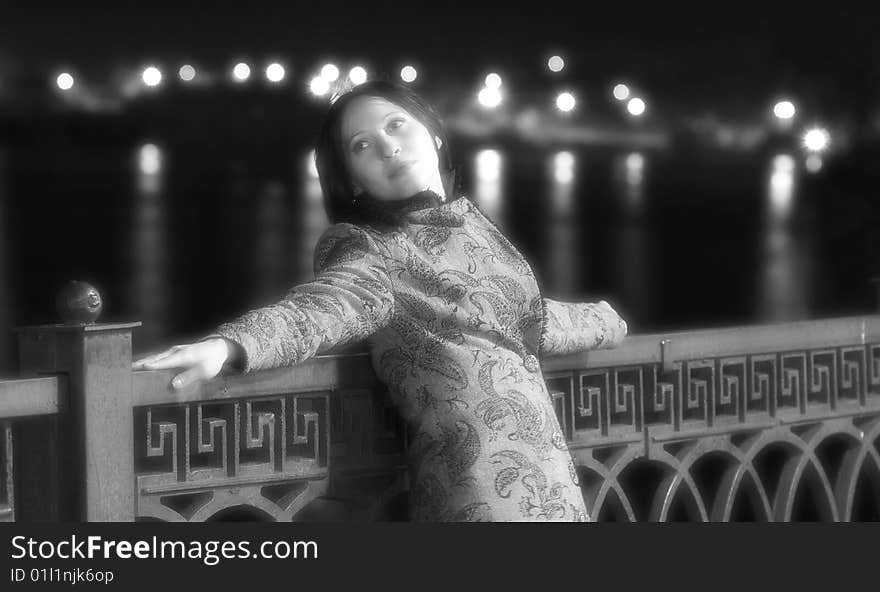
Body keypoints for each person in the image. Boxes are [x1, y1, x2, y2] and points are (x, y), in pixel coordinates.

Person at [132, 79, 628, 522]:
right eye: (362, 145)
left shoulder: (472, 226)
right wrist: (229, 347)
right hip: (476, 489)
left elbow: (524, 319)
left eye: (397, 126)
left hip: (552, 482)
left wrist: (607, 322)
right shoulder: (371, 248)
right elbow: (325, 307)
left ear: (433, 133)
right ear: (353, 178)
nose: (388, 147)